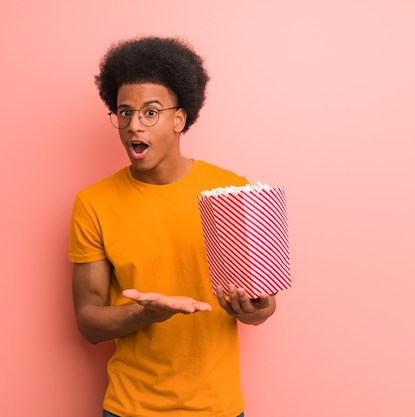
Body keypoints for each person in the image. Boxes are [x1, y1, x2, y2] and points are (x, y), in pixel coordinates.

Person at [69, 36, 277, 417]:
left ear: (179, 119)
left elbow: (262, 306)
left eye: (150, 112)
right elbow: (88, 321)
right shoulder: (93, 204)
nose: (134, 125)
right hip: (130, 408)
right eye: (125, 112)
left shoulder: (231, 191)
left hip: (218, 408)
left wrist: (254, 309)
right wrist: (146, 313)